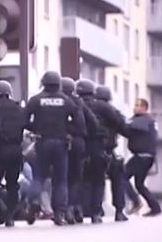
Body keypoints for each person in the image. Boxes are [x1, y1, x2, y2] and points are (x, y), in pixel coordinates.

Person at [25, 71, 80, 226]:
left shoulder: (35, 100)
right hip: (61, 144)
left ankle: (34, 201)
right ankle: (59, 214)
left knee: (39, 177)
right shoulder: (67, 101)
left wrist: (35, 128)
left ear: (44, 83)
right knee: (61, 180)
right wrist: (67, 130)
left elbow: (24, 120)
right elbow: (79, 123)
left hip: (42, 142)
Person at [76, 79, 124, 224]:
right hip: (102, 149)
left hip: (79, 148)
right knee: (103, 179)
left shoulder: (75, 103)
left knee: (80, 180)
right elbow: (121, 123)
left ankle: (80, 210)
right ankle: (111, 211)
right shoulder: (105, 107)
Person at [0, 80, 26, 227]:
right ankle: (10, 216)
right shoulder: (19, 109)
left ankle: (1, 207)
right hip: (16, 150)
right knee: (13, 184)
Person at [61, 77, 94, 224]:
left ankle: (63, 209)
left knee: (62, 177)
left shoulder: (58, 100)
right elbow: (92, 121)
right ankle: (75, 208)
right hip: (79, 142)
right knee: (76, 177)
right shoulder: (79, 102)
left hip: (62, 140)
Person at [94, 85, 129, 222]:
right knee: (117, 179)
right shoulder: (110, 109)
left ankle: (95, 212)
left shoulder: (86, 106)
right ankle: (119, 211)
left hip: (89, 150)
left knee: (95, 181)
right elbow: (123, 126)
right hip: (107, 149)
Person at [123, 98, 161, 216]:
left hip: (142, 157)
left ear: (145, 108)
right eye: (135, 105)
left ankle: (135, 201)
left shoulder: (145, 120)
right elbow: (127, 131)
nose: (135, 108)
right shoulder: (144, 122)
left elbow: (133, 126)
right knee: (139, 184)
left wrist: (121, 122)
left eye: (138, 106)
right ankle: (155, 208)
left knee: (121, 175)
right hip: (145, 157)